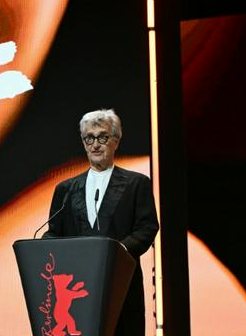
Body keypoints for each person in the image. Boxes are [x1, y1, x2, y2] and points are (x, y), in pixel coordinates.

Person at [43, 109, 159, 335]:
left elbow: (147, 228)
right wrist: (47, 249)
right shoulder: (65, 189)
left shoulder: (136, 184)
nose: (95, 144)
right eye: (89, 138)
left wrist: (117, 252)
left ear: (116, 141)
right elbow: (53, 232)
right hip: (76, 288)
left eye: (102, 137)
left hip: (121, 287)